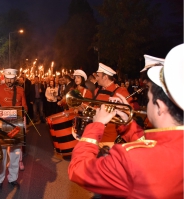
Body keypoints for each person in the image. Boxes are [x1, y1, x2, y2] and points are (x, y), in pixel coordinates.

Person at [68, 44, 184, 198]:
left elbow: (78, 169)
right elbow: (151, 147)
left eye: (148, 99)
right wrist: (127, 124)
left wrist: (97, 125)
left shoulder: (131, 159)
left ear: (160, 106)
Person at [0, 68, 28, 192]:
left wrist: (23, 111)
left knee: (15, 153)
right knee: (2, 154)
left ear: (15, 78)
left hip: (16, 126)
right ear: (4, 77)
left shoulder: (20, 90)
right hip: (1, 126)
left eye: (12, 78)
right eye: (7, 77)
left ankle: (12, 178)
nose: (10, 80)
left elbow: (25, 107)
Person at [93, 63, 132, 143]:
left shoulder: (120, 91)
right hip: (96, 134)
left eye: (98, 76)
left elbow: (131, 111)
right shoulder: (97, 91)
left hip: (110, 138)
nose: (96, 78)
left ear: (105, 77)